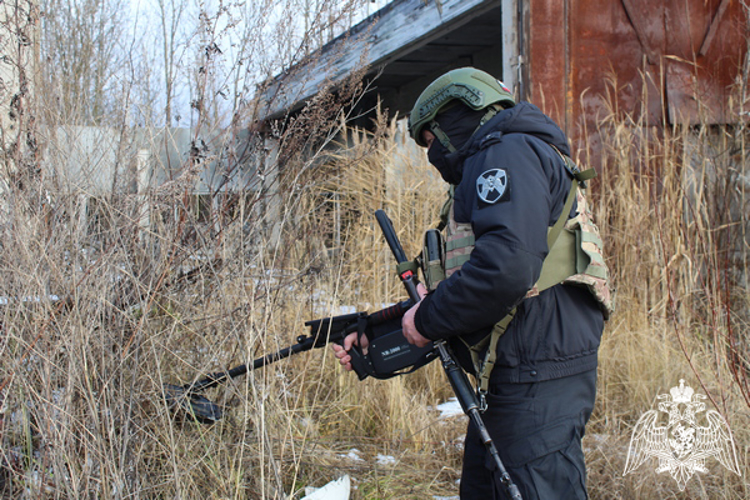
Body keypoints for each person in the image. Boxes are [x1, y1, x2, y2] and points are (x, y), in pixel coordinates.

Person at [334, 67, 612, 499]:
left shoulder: (507, 154)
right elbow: (479, 287)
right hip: (520, 367)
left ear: (455, 119)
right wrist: (383, 330)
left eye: (430, 141)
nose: (432, 155)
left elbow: (506, 269)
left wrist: (426, 320)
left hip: (536, 369)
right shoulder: (512, 154)